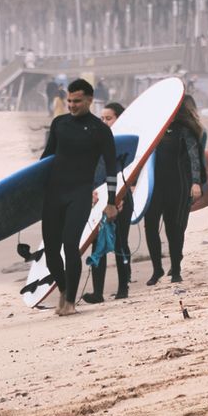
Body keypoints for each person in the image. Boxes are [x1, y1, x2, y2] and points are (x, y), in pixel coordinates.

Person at [40, 79, 119, 317]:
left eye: (77, 101)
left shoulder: (100, 130)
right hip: (54, 193)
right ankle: (64, 291)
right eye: (69, 101)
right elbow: (45, 160)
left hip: (80, 193)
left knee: (70, 245)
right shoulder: (59, 124)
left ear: (89, 100)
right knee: (52, 251)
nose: (72, 106)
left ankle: (71, 302)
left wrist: (112, 202)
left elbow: (112, 168)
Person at [144, 94, 206, 286]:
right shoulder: (152, 130)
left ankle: (176, 270)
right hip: (154, 187)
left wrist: (196, 183)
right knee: (151, 227)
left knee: (174, 228)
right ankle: (157, 270)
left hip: (177, 185)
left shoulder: (184, 130)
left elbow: (194, 156)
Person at [82, 102, 133, 304]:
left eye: (108, 118)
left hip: (121, 196)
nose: (104, 122)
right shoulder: (96, 142)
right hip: (100, 199)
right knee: (97, 245)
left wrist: (118, 197)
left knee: (120, 241)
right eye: (101, 118)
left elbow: (134, 170)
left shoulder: (128, 142)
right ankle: (98, 293)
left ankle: (123, 287)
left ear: (120, 118)